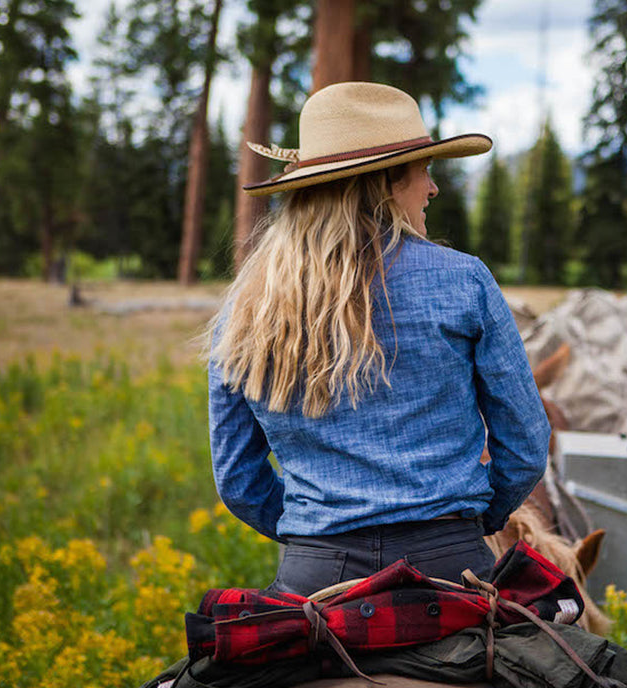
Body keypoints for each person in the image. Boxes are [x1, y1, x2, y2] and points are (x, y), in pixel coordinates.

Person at [205, 82, 551, 597]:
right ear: (389, 180)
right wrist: (468, 521)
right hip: (451, 567)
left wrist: (314, 532)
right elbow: (524, 445)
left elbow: (237, 478)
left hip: (313, 575)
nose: (432, 189)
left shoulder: (246, 304)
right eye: (424, 170)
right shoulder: (465, 281)